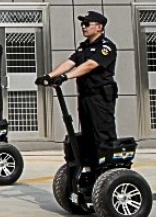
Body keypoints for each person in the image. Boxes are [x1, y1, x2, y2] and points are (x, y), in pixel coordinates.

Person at [36, 10, 118, 166]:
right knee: (87, 134)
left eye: (87, 24)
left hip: (100, 97)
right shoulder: (83, 47)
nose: (83, 27)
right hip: (85, 96)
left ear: (99, 27)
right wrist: (50, 76)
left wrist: (66, 77)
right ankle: (91, 167)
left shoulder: (106, 47)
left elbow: (90, 65)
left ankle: (109, 169)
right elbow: (70, 62)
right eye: (82, 24)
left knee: (102, 132)